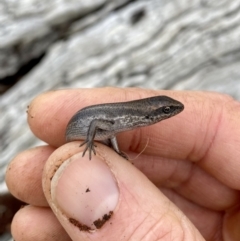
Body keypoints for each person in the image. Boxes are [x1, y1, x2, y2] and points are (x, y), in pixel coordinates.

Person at [5, 88, 240, 241]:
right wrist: (89, 142)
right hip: (76, 136)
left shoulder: (125, 120)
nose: (170, 113)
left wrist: (116, 152)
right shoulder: (125, 117)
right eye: (166, 111)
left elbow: (110, 131)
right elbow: (97, 123)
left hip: (75, 148)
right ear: (151, 114)